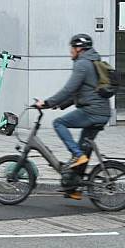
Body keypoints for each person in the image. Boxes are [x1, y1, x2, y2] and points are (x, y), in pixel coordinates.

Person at [35, 33, 110, 199]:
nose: (70, 51)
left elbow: (69, 89)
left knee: (59, 124)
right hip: (100, 111)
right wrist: (59, 104)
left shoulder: (82, 64)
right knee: (85, 147)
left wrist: (47, 102)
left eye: (72, 48)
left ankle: (77, 155)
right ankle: (74, 188)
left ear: (79, 48)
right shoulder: (91, 61)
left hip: (93, 111)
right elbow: (79, 92)